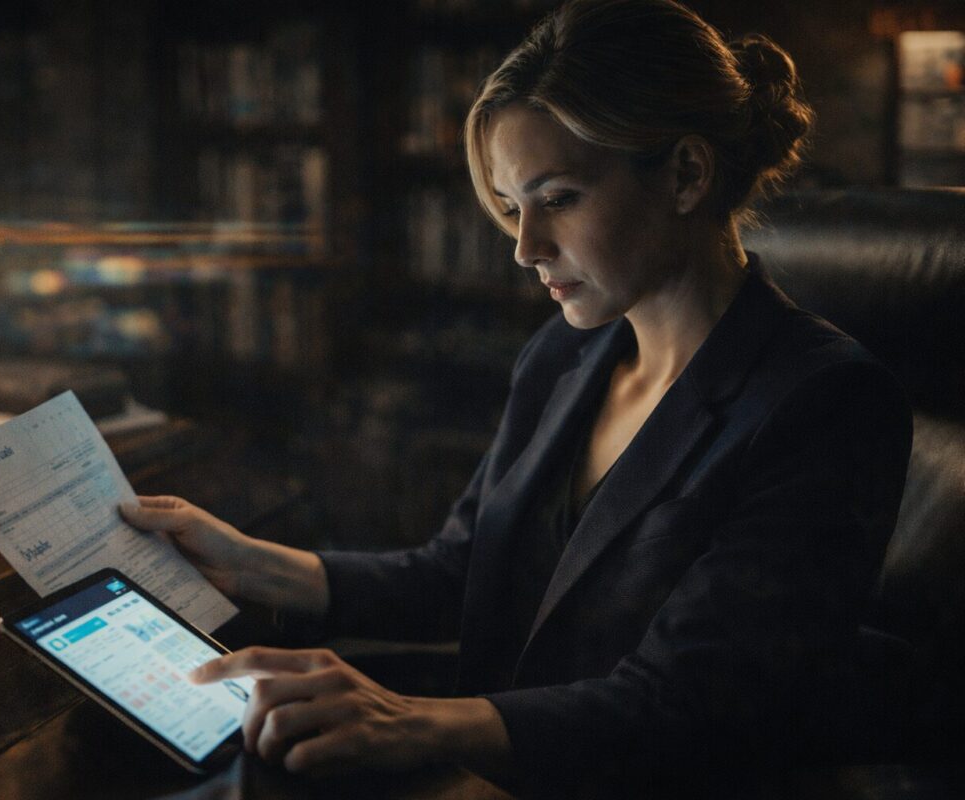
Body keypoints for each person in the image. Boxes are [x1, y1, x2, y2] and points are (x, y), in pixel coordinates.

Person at [121, 0, 913, 795]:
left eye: (559, 198)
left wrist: (410, 723)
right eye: (511, 207)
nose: (527, 248)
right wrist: (252, 564)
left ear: (686, 173)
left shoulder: (827, 402)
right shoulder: (568, 354)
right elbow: (466, 574)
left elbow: (696, 708)